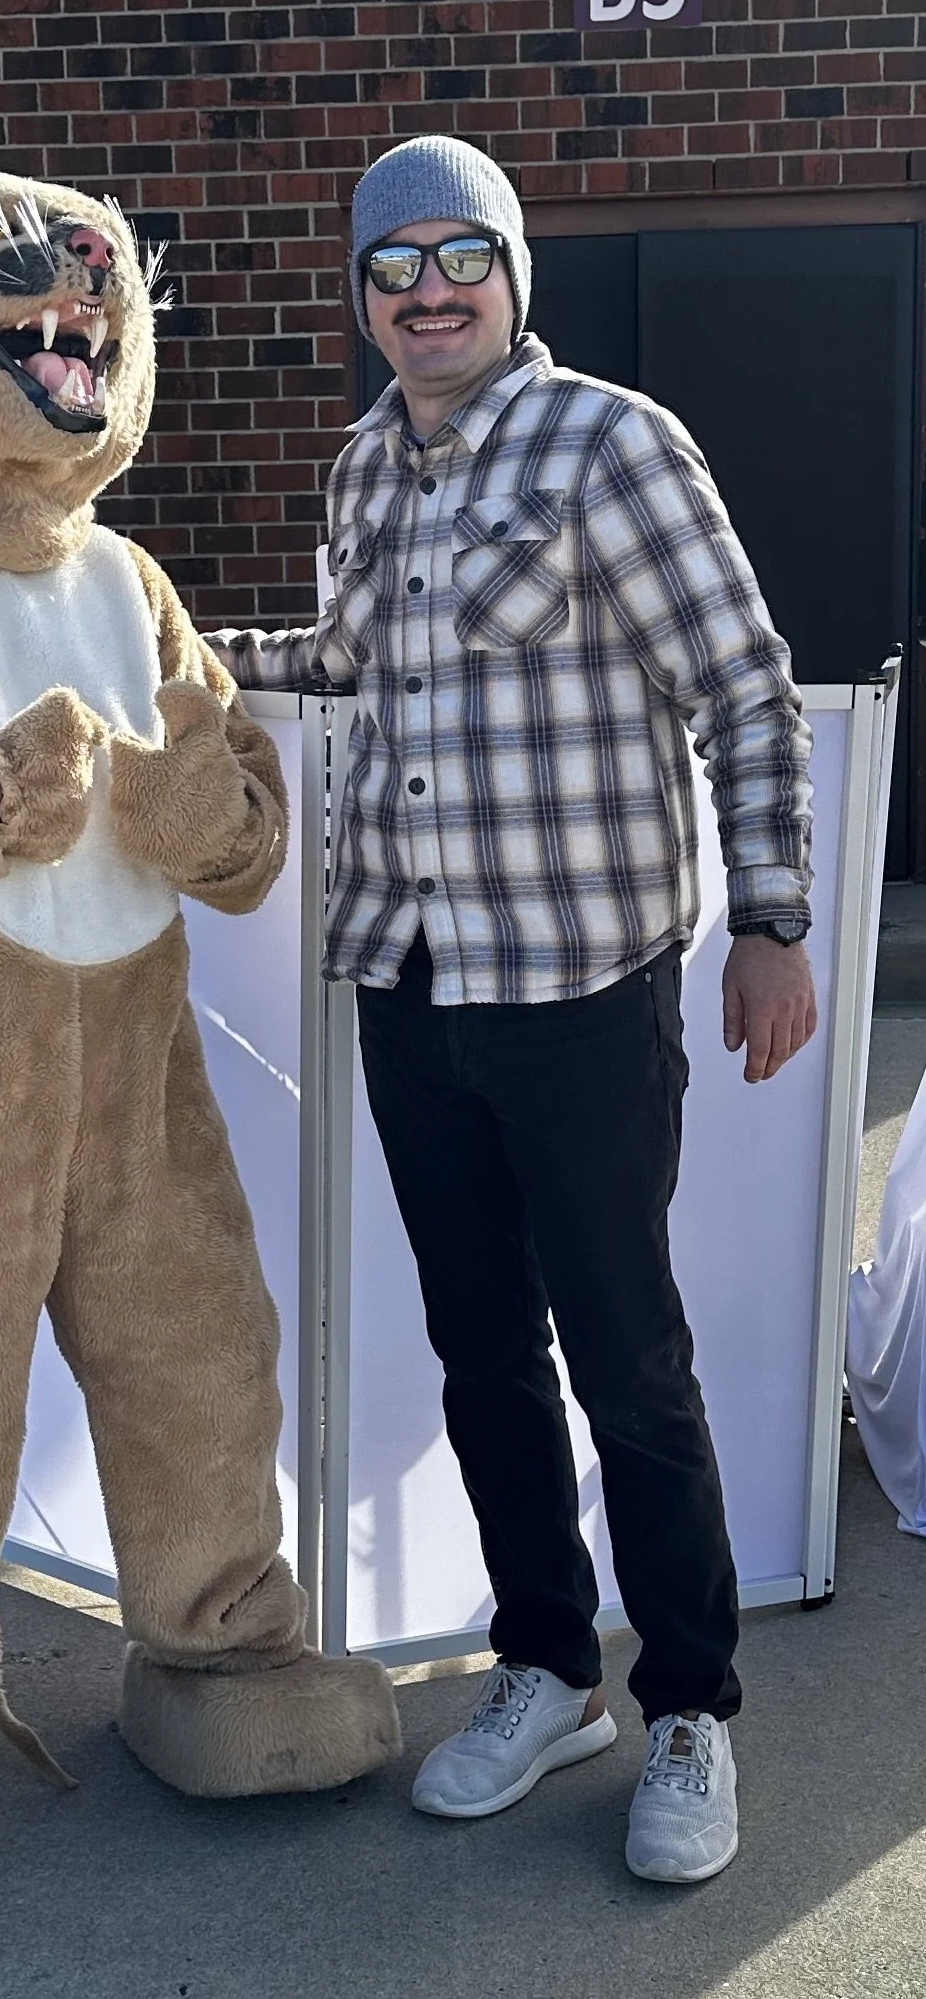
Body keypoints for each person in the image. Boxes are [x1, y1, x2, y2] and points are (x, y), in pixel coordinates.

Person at [203, 134, 816, 1885]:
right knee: (483, 1350)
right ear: (363, 300)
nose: (425, 290)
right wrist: (174, 646)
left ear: (512, 272)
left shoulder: (614, 443)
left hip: (581, 992)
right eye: (388, 266)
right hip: (413, 986)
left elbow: (747, 691)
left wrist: (771, 919)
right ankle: (550, 1664)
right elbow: (348, 662)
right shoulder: (361, 471)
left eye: (457, 253)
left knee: (627, 1352)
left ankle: (689, 1698)